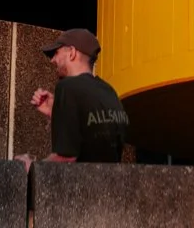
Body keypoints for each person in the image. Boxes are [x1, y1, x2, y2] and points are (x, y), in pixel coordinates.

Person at [14, 28, 129, 168]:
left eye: (56, 53)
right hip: (108, 185)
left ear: (72, 53)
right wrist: (56, 113)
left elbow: (65, 157)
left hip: (79, 186)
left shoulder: (67, 87)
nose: (52, 60)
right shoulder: (109, 91)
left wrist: (31, 167)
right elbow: (97, 140)